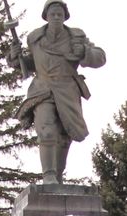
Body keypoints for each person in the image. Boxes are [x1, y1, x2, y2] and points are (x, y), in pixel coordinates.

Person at [8, 0, 106, 184]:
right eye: (52, 14)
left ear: (65, 16)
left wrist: (84, 51)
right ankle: (49, 176)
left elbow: (100, 57)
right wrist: (15, 56)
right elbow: (30, 65)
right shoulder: (35, 39)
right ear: (46, 16)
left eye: (59, 14)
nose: (55, 17)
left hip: (68, 91)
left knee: (63, 136)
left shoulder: (76, 37)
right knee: (46, 131)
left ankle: (57, 177)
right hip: (42, 90)